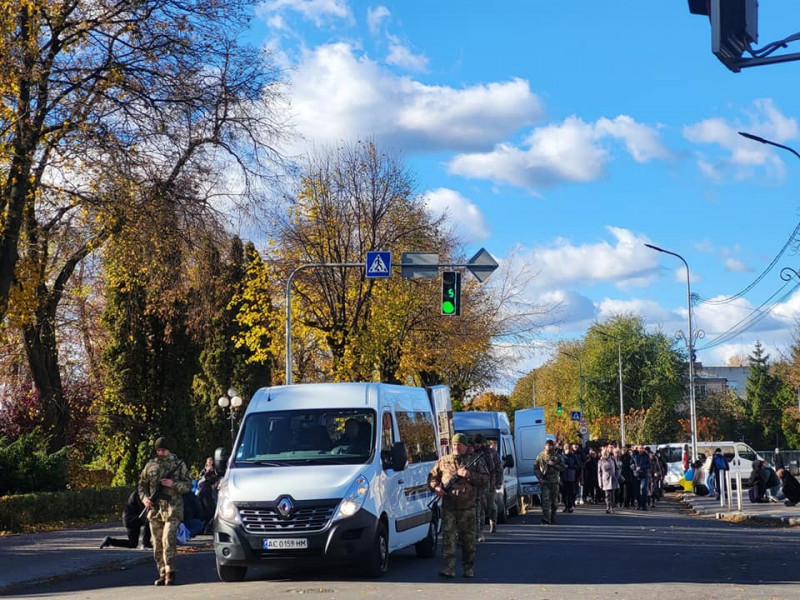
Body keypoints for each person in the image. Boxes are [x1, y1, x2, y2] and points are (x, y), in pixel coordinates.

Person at [428, 433, 489, 578]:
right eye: (454, 444)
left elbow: (486, 479)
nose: (456, 447)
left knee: (468, 541)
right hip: (449, 506)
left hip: (468, 507)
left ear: (465, 446)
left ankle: (468, 567)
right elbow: (432, 477)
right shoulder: (443, 461)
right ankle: (448, 568)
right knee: (448, 538)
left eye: (459, 444)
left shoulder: (474, 462)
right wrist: (436, 488)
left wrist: (469, 475)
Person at [138, 436, 192, 586]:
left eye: (164, 449)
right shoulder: (150, 465)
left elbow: (189, 485)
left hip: (172, 508)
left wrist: (173, 484)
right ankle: (162, 572)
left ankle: (170, 572)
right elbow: (141, 485)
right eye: (159, 450)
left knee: (168, 540)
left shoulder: (178, 464)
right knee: (156, 543)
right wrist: (145, 499)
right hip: (155, 510)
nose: (161, 452)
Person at [535, 439, 565, 524]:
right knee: (545, 501)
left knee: (554, 502)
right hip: (544, 482)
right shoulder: (540, 456)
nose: (548, 447)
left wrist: (554, 465)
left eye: (550, 445)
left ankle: (553, 517)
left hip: (554, 482)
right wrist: (539, 478)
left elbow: (563, 467)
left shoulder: (557, 456)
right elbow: (536, 468)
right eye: (547, 445)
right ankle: (546, 519)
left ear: (553, 446)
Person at [471, 434, 492, 542]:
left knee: (481, 509)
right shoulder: (470, 454)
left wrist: (494, 483)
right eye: (474, 444)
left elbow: (492, 468)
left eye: (477, 443)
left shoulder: (487, 453)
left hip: (483, 484)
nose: (476, 446)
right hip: (471, 485)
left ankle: (480, 532)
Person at [484, 438, 504, 533]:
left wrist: (499, 482)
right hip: (477, 485)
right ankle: (479, 531)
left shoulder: (492, 453)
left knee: (490, 505)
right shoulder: (473, 454)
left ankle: (493, 522)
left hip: (490, 484)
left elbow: (499, 468)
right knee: (479, 508)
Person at [597, 447, 620, 513]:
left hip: (613, 479)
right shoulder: (600, 461)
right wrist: (600, 482)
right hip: (605, 480)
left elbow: (617, 468)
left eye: (606, 454)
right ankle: (608, 507)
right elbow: (599, 473)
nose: (605, 455)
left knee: (612, 494)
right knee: (607, 495)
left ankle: (612, 507)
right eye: (604, 454)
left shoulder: (612, 459)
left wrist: (617, 476)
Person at [630, 445, 651, 510]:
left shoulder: (646, 456)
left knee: (644, 490)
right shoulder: (634, 455)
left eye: (642, 448)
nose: (641, 449)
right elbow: (631, 464)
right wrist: (635, 468)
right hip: (636, 475)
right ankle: (639, 504)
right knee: (637, 491)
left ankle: (644, 505)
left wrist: (641, 467)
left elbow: (649, 465)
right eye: (640, 448)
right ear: (637, 449)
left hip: (643, 475)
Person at [560, 442, 579, 513]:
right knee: (564, 493)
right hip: (563, 476)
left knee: (570, 493)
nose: (569, 451)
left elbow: (577, 465)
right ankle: (566, 506)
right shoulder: (561, 456)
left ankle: (570, 506)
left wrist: (570, 466)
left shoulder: (574, 456)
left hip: (571, 476)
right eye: (567, 450)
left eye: (570, 450)